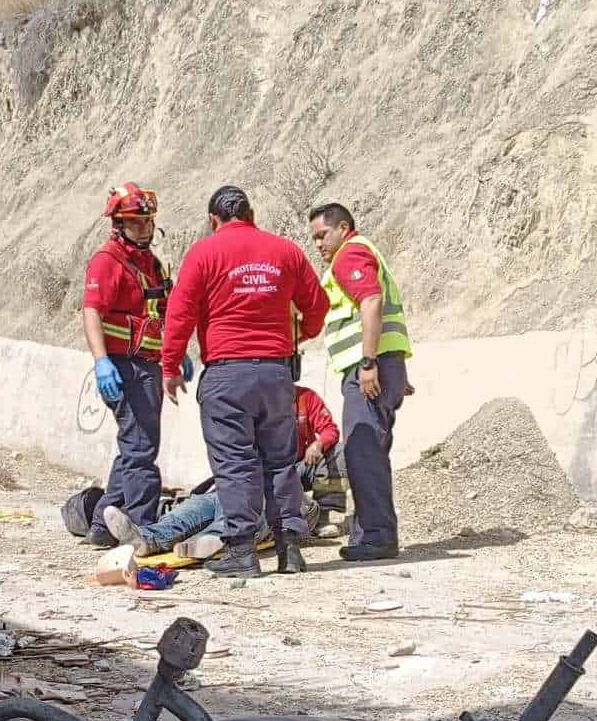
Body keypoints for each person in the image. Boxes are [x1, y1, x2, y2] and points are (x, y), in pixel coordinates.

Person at [160, 185, 326, 579]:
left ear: (213, 220)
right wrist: (300, 336)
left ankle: (241, 551)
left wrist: (169, 366)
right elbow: (316, 305)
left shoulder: (204, 253)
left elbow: (179, 315)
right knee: (280, 461)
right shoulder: (285, 251)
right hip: (276, 373)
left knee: (235, 464)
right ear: (251, 215)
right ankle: (290, 550)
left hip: (227, 375)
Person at [103, 372, 339, 558]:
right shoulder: (253, 405)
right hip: (251, 482)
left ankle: (214, 538)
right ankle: (146, 537)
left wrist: (318, 444)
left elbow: (331, 431)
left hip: (290, 485)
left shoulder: (305, 398)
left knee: (259, 503)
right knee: (205, 503)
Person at [80, 182, 189, 546]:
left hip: (148, 364)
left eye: (148, 222)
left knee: (134, 445)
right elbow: (91, 310)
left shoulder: (151, 264)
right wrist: (101, 362)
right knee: (141, 448)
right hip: (123, 366)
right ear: (118, 224)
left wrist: (176, 352)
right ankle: (143, 527)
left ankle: (101, 524)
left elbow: (161, 310)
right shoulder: (107, 261)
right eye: (136, 223)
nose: (144, 229)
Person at [307, 202, 412, 563]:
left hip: (368, 369)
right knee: (370, 451)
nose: (319, 244)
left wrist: (369, 363)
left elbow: (371, 301)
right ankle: (374, 534)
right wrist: (393, 368)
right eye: (314, 238)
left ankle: (377, 537)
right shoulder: (364, 251)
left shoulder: (349, 254)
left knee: (362, 452)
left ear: (342, 227)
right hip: (384, 366)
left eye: (323, 235)